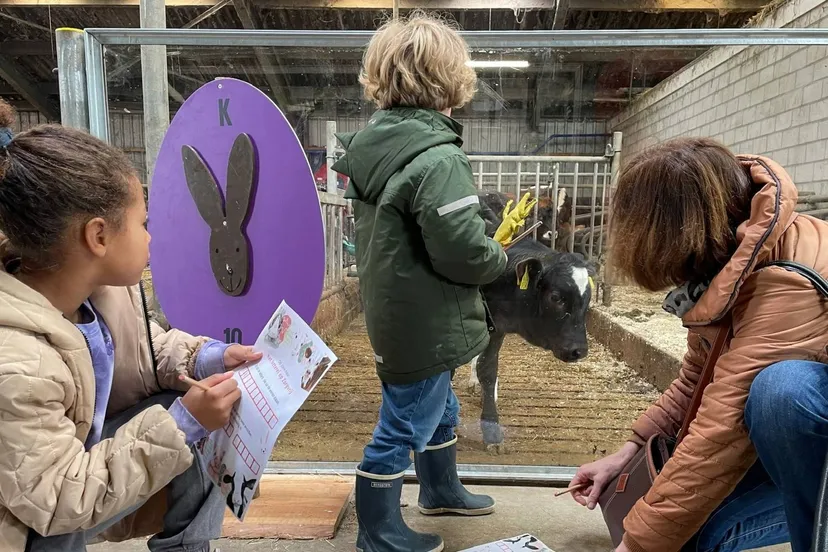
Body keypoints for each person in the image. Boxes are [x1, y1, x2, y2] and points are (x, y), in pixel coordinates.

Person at [0, 101, 263, 552]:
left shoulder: (94, 292)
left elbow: (141, 351)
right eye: (143, 223)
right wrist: (182, 425)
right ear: (98, 236)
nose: (150, 236)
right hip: (39, 513)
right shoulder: (19, 362)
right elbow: (58, 499)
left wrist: (209, 358)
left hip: (73, 465)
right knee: (184, 423)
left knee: (195, 414)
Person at [331, 12, 532, 552]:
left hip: (400, 314)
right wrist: (498, 257)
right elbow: (462, 251)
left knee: (440, 408)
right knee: (402, 423)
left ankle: (440, 488)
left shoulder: (376, 148)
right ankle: (378, 531)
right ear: (451, 81)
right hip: (427, 323)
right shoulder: (439, 158)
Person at [569, 137, 828, 552]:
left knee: (782, 390)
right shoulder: (733, 261)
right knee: (687, 535)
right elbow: (696, 382)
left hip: (811, 427)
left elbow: (721, 431)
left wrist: (635, 545)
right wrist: (626, 455)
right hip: (808, 444)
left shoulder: (787, 280)